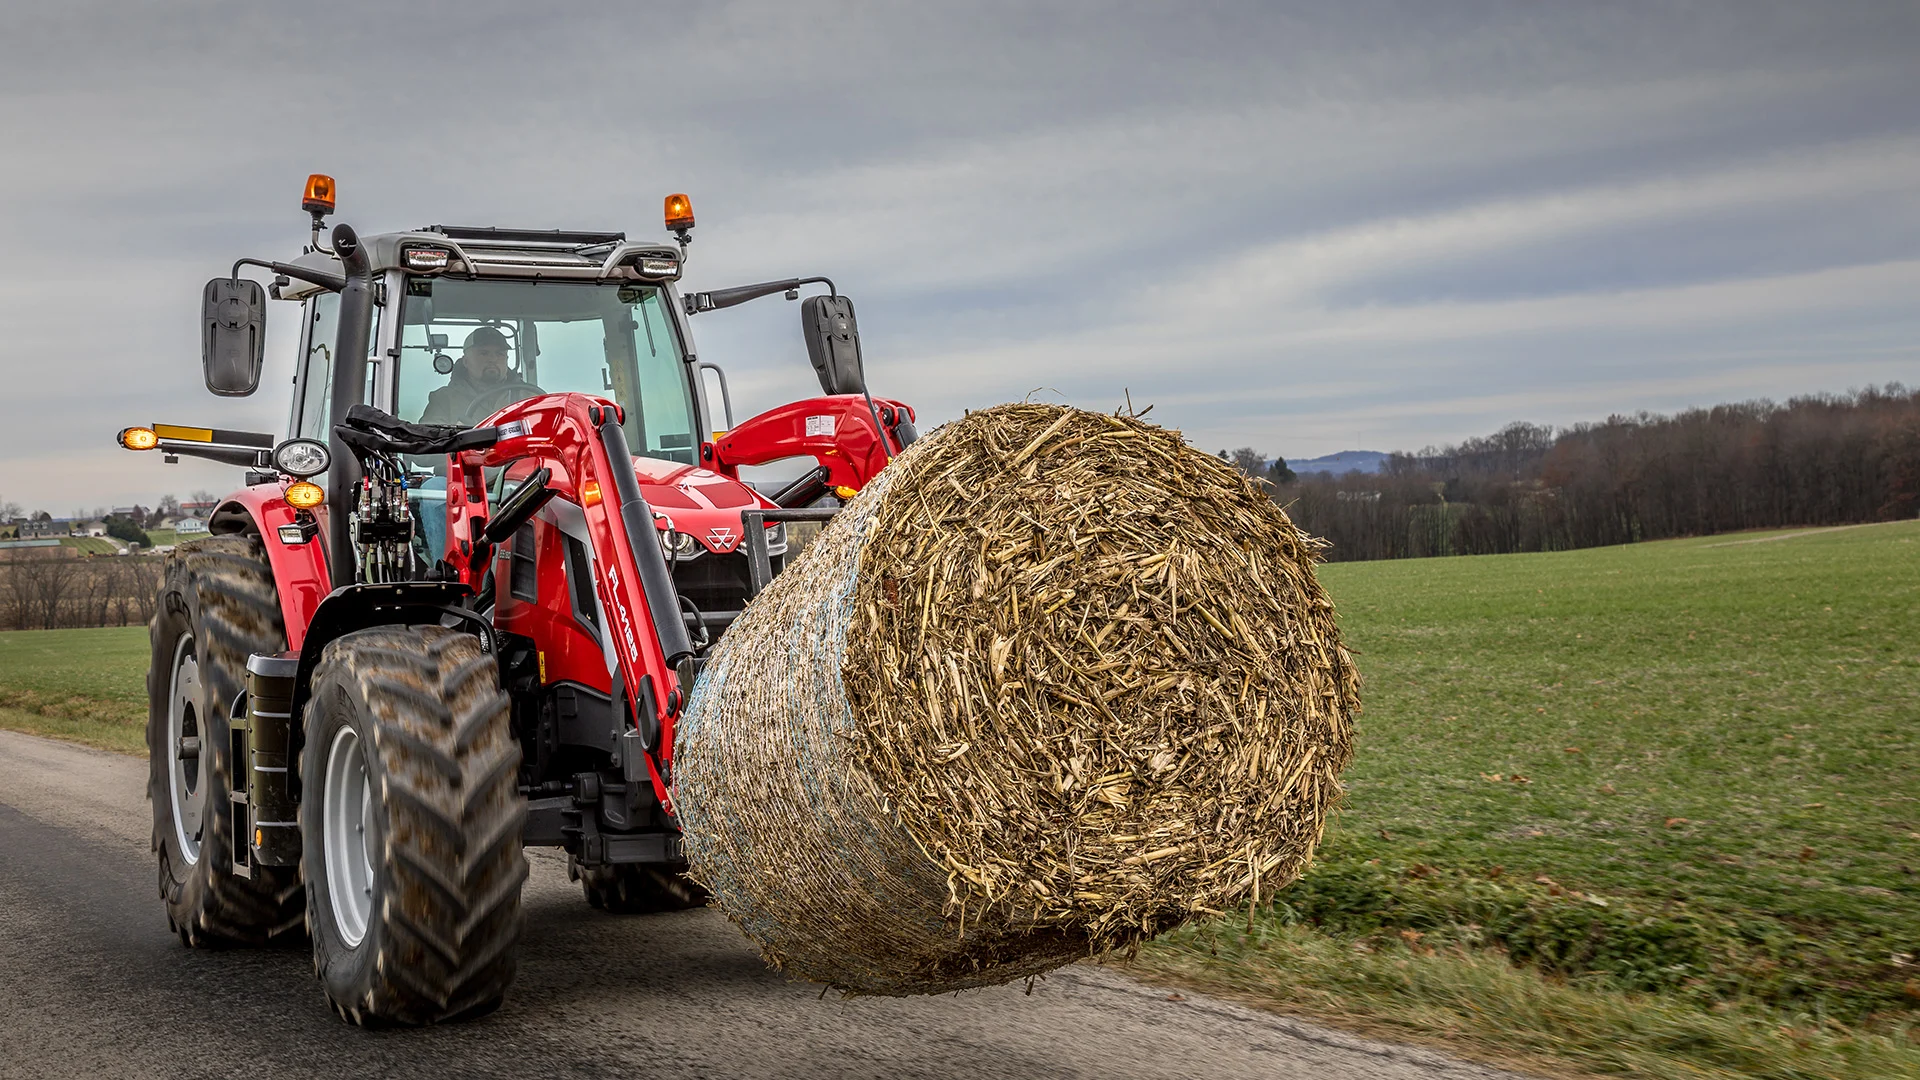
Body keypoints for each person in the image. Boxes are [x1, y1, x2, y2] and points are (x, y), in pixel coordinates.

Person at [418, 326, 542, 426]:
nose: (493, 359)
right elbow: (426, 449)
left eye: (499, 354)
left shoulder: (530, 398)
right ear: (466, 361)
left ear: (507, 359)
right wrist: (455, 436)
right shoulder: (444, 399)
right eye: (484, 353)